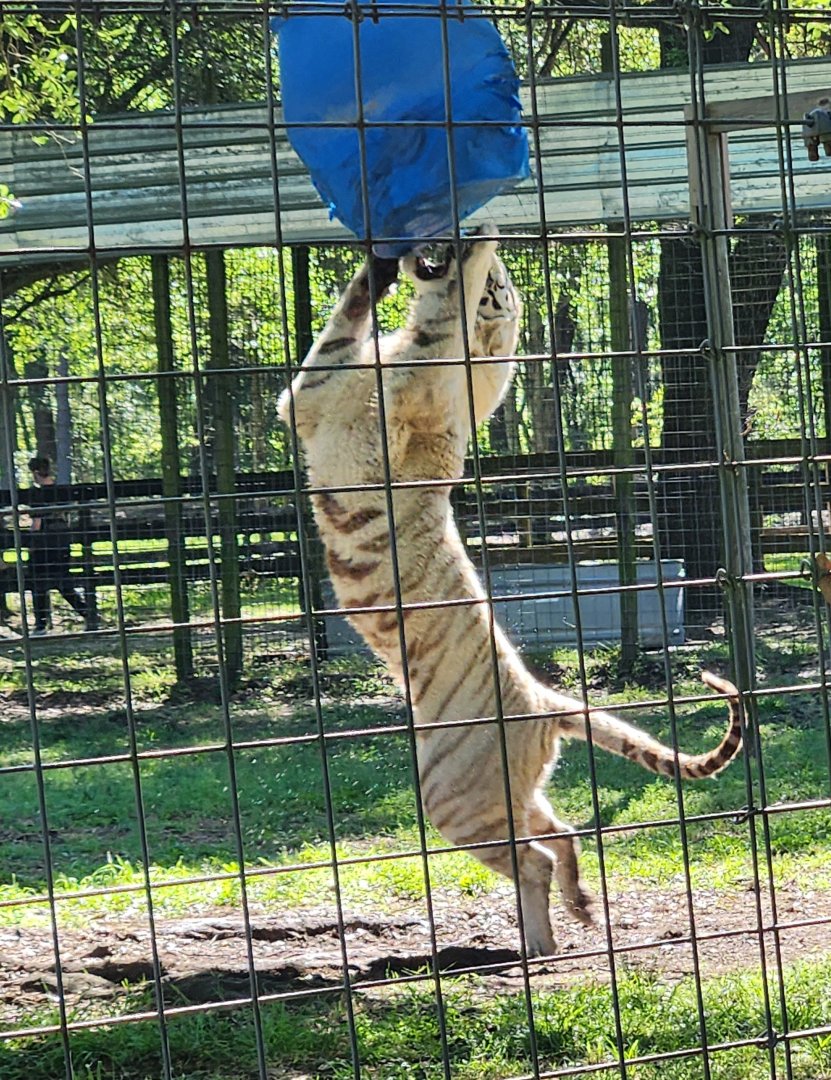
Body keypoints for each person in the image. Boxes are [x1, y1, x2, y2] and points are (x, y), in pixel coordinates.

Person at [26, 456, 96, 636]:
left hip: (44, 543)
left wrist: (30, 543)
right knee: (64, 582)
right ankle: (88, 613)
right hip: (62, 541)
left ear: (35, 473)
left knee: (37, 582)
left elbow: (37, 522)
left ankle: (41, 624)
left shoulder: (37, 494)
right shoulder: (62, 491)